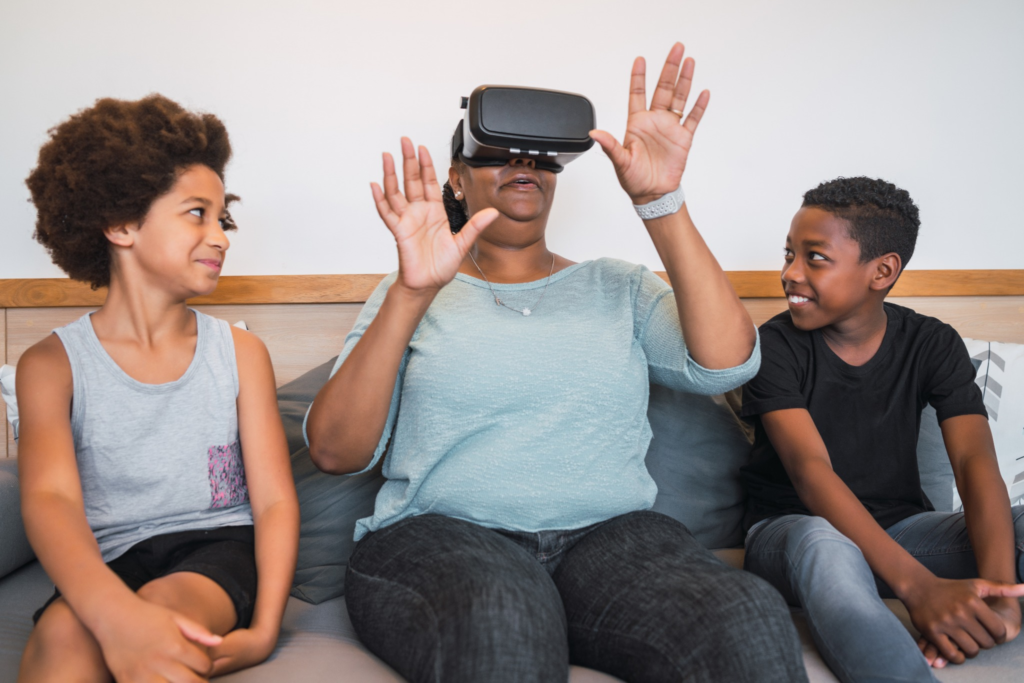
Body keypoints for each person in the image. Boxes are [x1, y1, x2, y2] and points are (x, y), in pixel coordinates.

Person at [306, 43, 807, 682]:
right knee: (504, 617)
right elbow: (335, 451)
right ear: (457, 178)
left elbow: (728, 365)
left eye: (540, 155)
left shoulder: (618, 286)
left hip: (611, 540)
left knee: (746, 614)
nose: (523, 162)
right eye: (498, 150)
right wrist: (411, 293)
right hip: (443, 537)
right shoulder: (410, 291)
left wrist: (662, 201)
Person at [17, 95, 300, 682]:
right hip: (105, 561)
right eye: (197, 213)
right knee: (63, 638)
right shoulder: (49, 365)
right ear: (121, 224)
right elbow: (51, 500)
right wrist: (112, 616)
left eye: (223, 219)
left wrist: (264, 631)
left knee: (165, 617)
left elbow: (274, 502)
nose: (221, 237)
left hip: (215, 550)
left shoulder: (241, 354)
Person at [739, 176, 1024, 682]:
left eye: (814, 257)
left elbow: (973, 462)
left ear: (882, 271)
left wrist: (1000, 595)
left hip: (904, 533)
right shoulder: (774, 347)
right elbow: (810, 471)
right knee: (823, 542)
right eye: (789, 254)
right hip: (793, 535)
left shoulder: (932, 342)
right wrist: (919, 588)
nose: (789, 273)